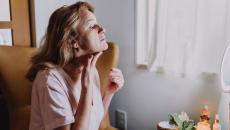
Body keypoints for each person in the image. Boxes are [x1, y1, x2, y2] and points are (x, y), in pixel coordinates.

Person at [26, 1, 124, 130]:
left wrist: (109, 93)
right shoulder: (49, 80)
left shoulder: (91, 70)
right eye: (92, 26)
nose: (102, 29)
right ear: (72, 41)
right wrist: (86, 85)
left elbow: (93, 122)